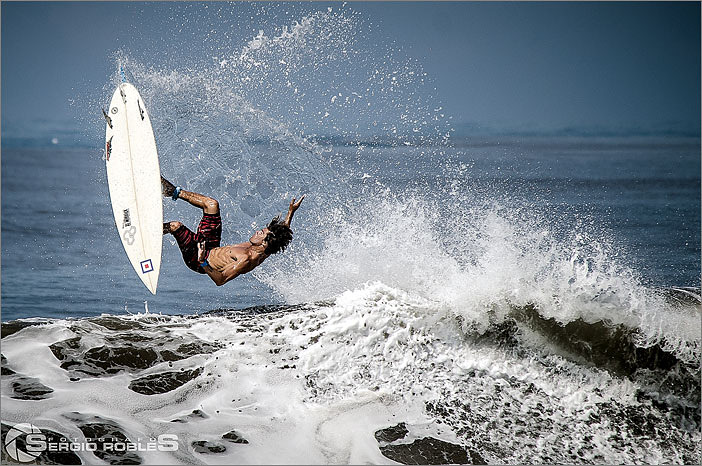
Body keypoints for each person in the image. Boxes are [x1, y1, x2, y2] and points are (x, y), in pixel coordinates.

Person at [161, 177, 304, 286]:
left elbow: (220, 280)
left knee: (175, 226)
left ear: (265, 243)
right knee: (212, 205)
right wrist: (291, 212)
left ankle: (153, 229)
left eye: (261, 233)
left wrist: (202, 259)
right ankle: (172, 192)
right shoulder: (267, 247)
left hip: (197, 258)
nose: (257, 232)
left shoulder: (246, 259)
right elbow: (281, 236)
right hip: (211, 246)